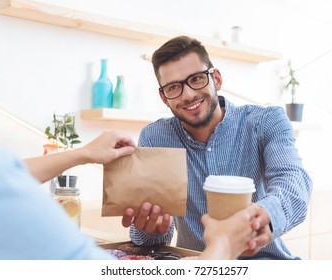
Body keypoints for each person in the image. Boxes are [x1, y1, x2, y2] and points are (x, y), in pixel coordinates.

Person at [122, 36, 313, 260]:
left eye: (196, 79)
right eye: (174, 87)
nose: (188, 94)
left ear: (217, 79)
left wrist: (265, 215)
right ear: (164, 98)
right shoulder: (155, 137)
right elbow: (151, 242)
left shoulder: (266, 121)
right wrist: (150, 229)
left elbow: (293, 179)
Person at [0, 116, 259, 259]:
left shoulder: (260, 122)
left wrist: (84, 153)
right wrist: (222, 245)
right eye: (173, 87)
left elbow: (8, 170)